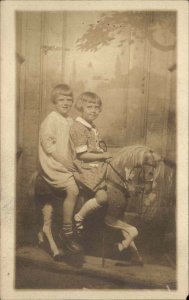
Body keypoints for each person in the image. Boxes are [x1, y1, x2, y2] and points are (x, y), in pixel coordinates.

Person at [38, 84, 82, 254]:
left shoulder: (69, 120)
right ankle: (67, 231)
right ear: (54, 102)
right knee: (73, 190)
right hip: (53, 163)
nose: (66, 103)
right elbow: (49, 146)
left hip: (67, 160)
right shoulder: (51, 119)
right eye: (62, 99)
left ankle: (80, 222)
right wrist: (65, 162)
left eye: (69, 100)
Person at [68, 91, 112, 233]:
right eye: (89, 107)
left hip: (95, 164)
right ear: (81, 107)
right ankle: (79, 217)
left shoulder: (90, 126)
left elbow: (94, 147)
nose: (93, 110)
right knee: (103, 197)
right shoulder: (78, 127)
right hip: (85, 167)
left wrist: (103, 154)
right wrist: (103, 155)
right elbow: (83, 155)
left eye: (96, 107)